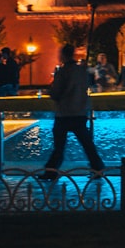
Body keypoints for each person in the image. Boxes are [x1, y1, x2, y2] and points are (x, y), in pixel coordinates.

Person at [38, 44, 105, 180]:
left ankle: (51, 171)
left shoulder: (63, 72)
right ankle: (97, 167)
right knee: (87, 144)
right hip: (80, 112)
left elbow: (56, 92)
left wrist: (49, 92)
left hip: (64, 113)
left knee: (59, 146)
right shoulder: (82, 71)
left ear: (63, 55)